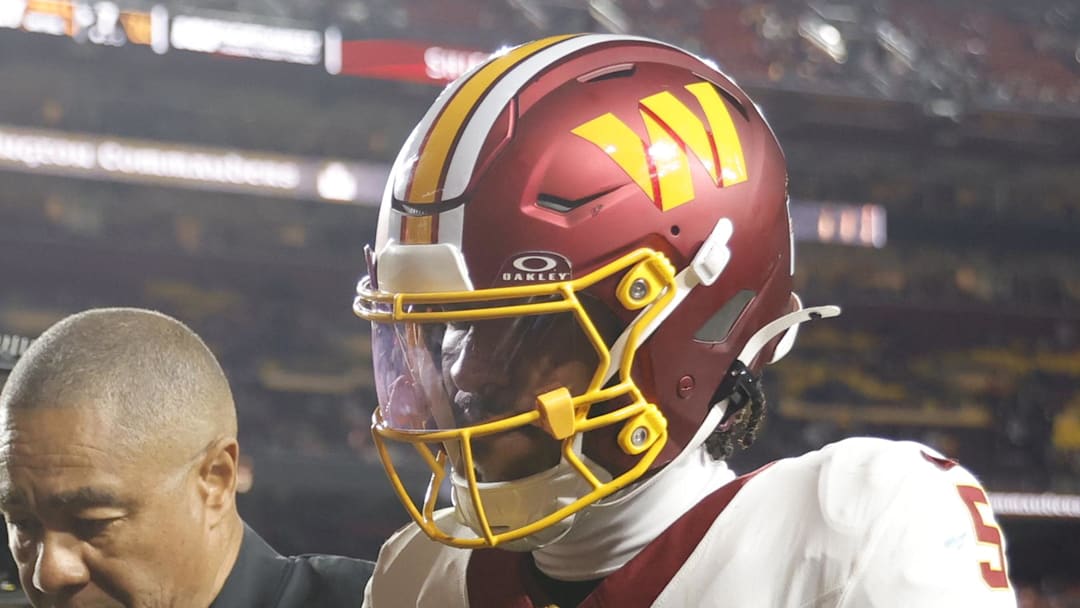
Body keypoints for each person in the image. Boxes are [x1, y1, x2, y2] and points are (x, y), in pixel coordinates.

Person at [354, 33, 1017, 607]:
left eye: (525, 328)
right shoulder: (418, 576)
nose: (467, 374)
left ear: (688, 329)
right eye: (455, 328)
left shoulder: (856, 534)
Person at [0, 308, 374, 607]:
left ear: (216, 479)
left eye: (92, 523)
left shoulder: (387, 601)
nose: (47, 574)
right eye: (22, 524)